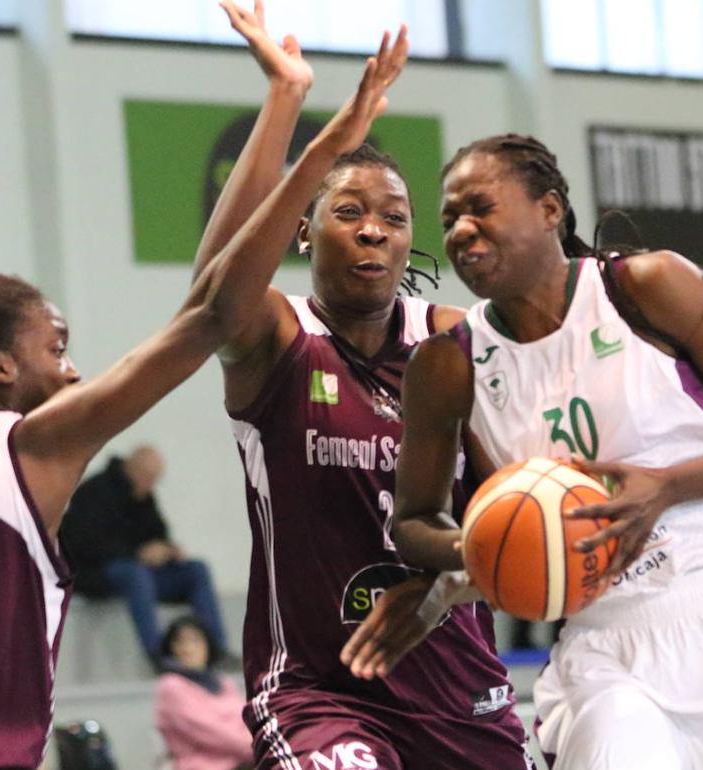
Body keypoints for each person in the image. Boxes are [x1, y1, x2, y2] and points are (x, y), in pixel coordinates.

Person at [343, 133, 703, 770]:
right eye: (449, 219)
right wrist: (492, 552)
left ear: (550, 209)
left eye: (481, 208)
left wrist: (665, 488)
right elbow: (416, 522)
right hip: (603, 647)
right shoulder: (449, 364)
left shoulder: (644, 288)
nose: (462, 230)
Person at [195, 6, 530, 768]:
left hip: (459, 687)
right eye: (348, 212)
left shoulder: (453, 341)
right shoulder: (279, 337)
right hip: (322, 690)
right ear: (306, 231)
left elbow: (515, 509)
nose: (373, 229)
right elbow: (213, 299)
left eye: (394, 217)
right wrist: (299, 119)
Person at [0, 92, 291, 769]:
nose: (74, 372)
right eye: (57, 349)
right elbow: (214, 315)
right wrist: (297, 125)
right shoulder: (26, 447)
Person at [62, 445, 228, 666]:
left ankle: (216, 649)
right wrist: (138, 554)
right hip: (98, 575)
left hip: (143, 575)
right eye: (149, 478)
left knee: (196, 570)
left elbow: (158, 533)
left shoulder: (144, 496)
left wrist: (168, 551)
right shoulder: (93, 492)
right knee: (136, 574)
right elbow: (85, 545)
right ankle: (158, 655)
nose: (151, 484)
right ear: (133, 468)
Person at [155, 617, 253, 770]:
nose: (187, 649)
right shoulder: (171, 686)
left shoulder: (224, 682)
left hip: (245, 760)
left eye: (195, 641)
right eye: (179, 642)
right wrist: (255, 747)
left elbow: (247, 718)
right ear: (170, 648)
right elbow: (209, 732)